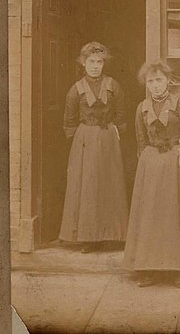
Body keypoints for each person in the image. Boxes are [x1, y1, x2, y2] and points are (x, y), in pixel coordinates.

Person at [123, 60, 180, 288]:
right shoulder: (141, 108)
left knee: (174, 215)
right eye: (151, 81)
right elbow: (140, 140)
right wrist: (149, 161)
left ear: (168, 80)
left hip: (174, 165)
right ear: (146, 84)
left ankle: (177, 271)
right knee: (150, 216)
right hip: (150, 166)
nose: (156, 85)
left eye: (159, 80)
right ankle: (148, 270)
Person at [59, 42, 128, 253]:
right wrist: (83, 137)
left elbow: (121, 113)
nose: (95, 66)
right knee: (87, 186)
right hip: (85, 141)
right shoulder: (76, 89)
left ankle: (110, 235)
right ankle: (87, 238)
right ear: (83, 63)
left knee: (109, 182)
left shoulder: (113, 85)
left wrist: (111, 131)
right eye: (91, 62)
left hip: (107, 139)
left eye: (99, 62)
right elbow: (69, 120)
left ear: (104, 63)